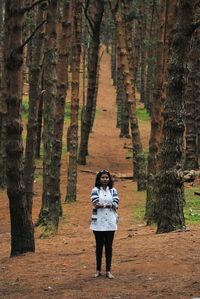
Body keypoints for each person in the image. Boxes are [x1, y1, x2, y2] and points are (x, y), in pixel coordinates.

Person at [90, 169, 119, 279]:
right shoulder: (95, 190)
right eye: (102, 177)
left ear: (109, 179)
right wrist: (108, 205)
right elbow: (96, 203)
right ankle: (98, 270)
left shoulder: (113, 191)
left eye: (107, 177)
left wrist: (105, 205)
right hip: (98, 222)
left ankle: (108, 270)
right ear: (99, 179)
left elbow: (116, 204)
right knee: (99, 246)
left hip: (110, 222)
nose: (105, 179)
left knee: (109, 247)